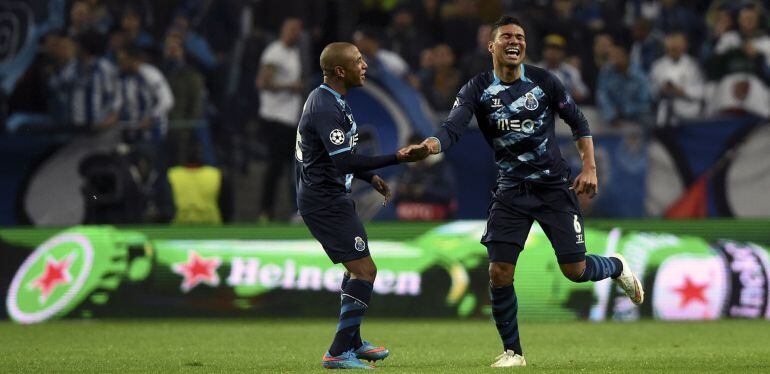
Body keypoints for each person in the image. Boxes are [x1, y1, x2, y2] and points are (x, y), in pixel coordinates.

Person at [399, 16, 644, 368]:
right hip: (510, 191)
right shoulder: (477, 88)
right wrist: (430, 146)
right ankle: (513, 352)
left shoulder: (544, 82)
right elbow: (452, 129)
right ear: (492, 46)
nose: (515, 41)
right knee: (499, 272)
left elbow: (579, 122)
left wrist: (589, 167)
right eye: (507, 37)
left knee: (574, 271)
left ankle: (617, 266)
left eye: (520, 37)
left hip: (553, 188)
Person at [295, 42, 418, 369]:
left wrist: (369, 177)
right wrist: (396, 157)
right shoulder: (324, 106)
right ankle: (337, 351)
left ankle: (352, 340)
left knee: (357, 269)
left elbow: (333, 157)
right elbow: (343, 161)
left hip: (331, 196)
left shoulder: (333, 101)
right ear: (340, 70)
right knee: (366, 270)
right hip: (324, 200)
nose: (364, 66)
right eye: (358, 61)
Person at [257, 17, 304, 221]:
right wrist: (290, 87)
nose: (296, 34)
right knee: (276, 167)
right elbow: (263, 83)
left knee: (293, 166)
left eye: (299, 30)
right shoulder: (274, 52)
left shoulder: (294, 53)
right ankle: (266, 211)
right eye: (293, 29)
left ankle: (295, 211)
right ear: (283, 30)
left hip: (289, 118)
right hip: (275, 117)